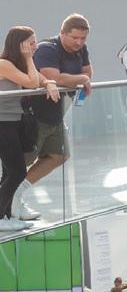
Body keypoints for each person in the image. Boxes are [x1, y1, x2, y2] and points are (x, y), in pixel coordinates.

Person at [17, 14, 91, 221]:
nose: (79, 42)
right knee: (22, 162)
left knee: (59, 155)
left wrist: (76, 78)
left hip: (57, 114)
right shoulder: (47, 48)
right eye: (74, 38)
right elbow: (54, 77)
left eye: (83, 38)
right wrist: (80, 78)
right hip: (34, 115)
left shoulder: (81, 49)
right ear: (62, 33)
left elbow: (88, 72)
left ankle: (16, 193)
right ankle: (9, 200)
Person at [0, 26, 60, 232]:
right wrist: (28, 58)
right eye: (31, 43)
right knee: (17, 172)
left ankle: (7, 216)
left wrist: (49, 82)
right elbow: (32, 83)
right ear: (20, 44)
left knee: (8, 172)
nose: (35, 46)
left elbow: (40, 79)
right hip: (3, 123)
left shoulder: (17, 64)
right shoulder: (4, 64)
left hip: (14, 121)